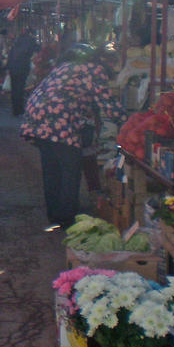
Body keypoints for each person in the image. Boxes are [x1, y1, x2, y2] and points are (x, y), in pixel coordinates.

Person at [20, 45, 126, 228]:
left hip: (36, 117)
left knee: (51, 167)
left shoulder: (67, 66)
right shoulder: (94, 69)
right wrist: (127, 122)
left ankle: (54, 213)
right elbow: (107, 103)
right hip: (59, 120)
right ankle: (66, 217)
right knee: (71, 168)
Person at [6, 28, 39, 116]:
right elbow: (38, 49)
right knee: (20, 88)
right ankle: (19, 109)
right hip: (22, 67)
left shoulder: (18, 41)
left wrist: (8, 67)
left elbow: (11, 54)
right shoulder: (31, 41)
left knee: (14, 88)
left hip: (13, 67)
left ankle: (15, 109)